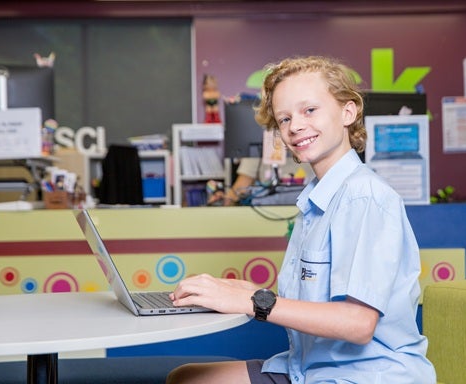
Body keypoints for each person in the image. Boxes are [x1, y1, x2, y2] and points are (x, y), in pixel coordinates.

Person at [166, 55, 436, 383]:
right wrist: (240, 289)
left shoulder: (365, 196)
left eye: (309, 110)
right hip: (308, 367)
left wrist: (255, 300)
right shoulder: (317, 198)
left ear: (348, 112)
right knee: (188, 379)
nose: (294, 126)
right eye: (284, 119)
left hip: (364, 375)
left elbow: (358, 323)